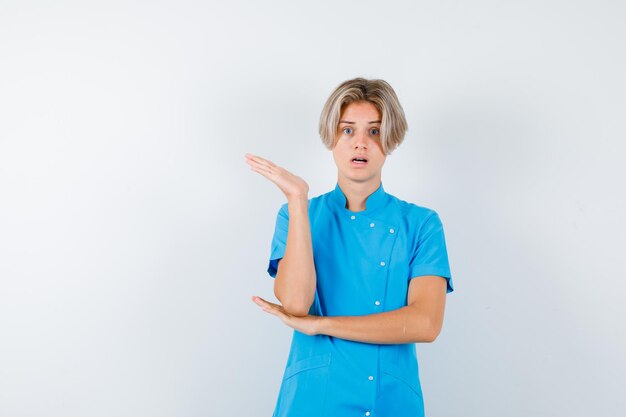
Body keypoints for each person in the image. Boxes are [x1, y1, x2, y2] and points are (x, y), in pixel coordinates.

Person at [245, 77, 454, 417]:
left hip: (390, 402)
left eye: (374, 131)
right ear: (331, 138)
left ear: (391, 140)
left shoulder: (420, 224)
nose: (361, 144)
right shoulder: (297, 215)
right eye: (347, 131)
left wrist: (322, 324)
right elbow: (297, 304)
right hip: (312, 402)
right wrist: (297, 199)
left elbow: (426, 323)